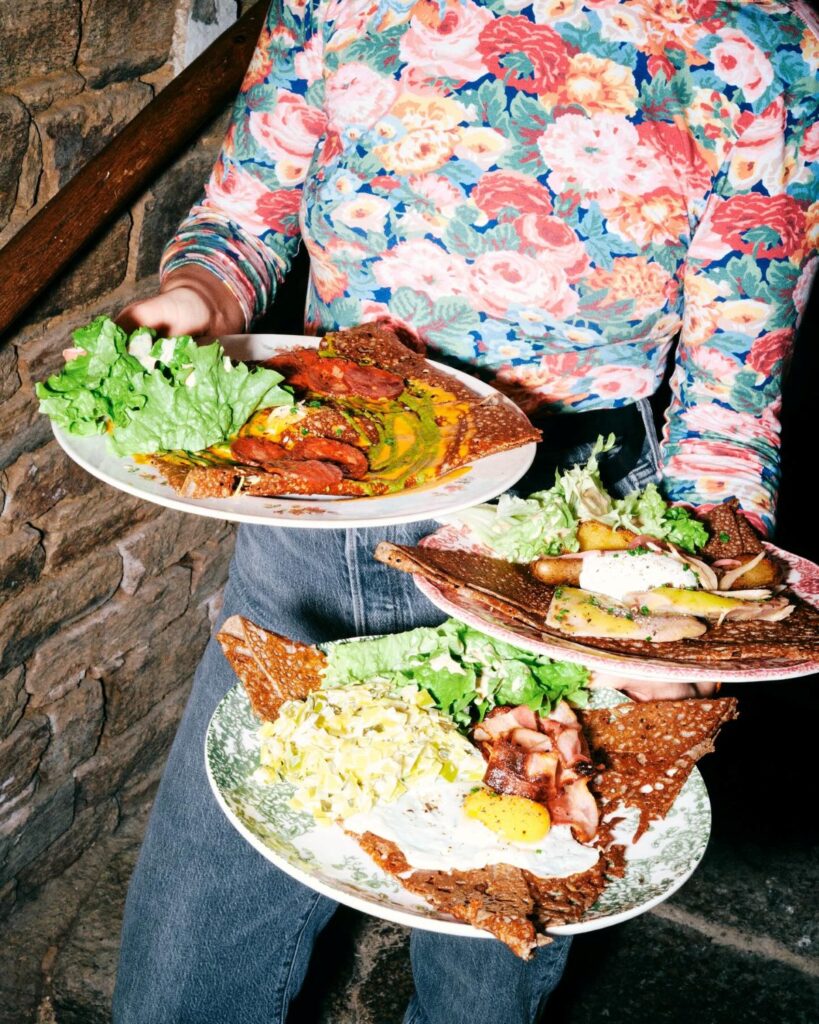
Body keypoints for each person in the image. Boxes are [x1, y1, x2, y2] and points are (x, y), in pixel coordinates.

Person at [112, 2, 818, 1022]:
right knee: (198, 928)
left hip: (569, 551)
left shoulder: (762, 46)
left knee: (492, 958)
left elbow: (729, 398)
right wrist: (199, 296)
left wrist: (678, 610)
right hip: (321, 497)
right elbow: (241, 224)